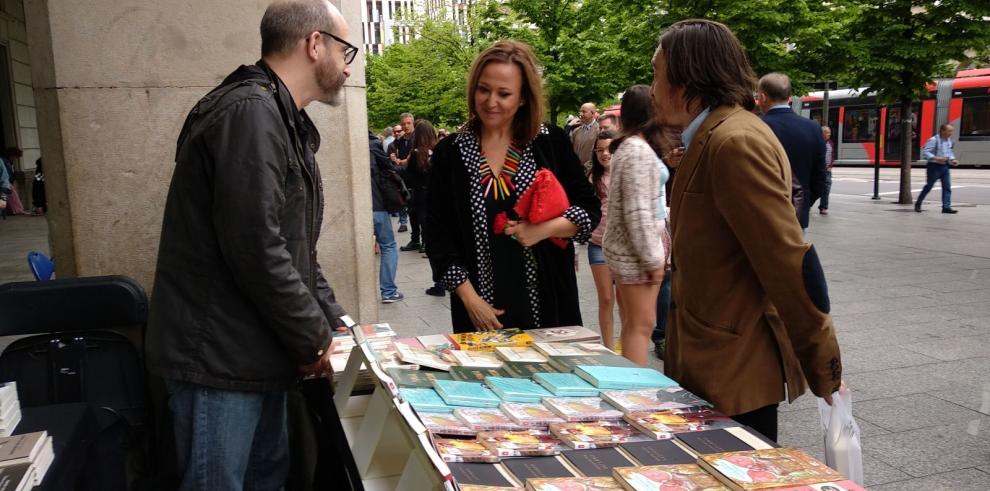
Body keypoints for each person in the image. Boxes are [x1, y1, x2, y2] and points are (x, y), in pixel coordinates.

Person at [146, 1, 355, 488]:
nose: (348, 66)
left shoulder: (276, 115)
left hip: (252, 357)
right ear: (314, 43)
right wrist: (313, 338)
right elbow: (257, 248)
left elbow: (295, 247)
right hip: (218, 365)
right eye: (345, 50)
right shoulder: (252, 114)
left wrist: (340, 327)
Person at [653, 19, 842, 442]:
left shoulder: (734, 142)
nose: (652, 87)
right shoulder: (713, 134)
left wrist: (824, 367)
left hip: (735, 371)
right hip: (714, 361)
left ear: (686, 80)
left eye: (657, 74)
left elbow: (788, 261)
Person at [427, 40, 600, 333]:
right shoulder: (451, 152)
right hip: (479, 311)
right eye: (483, 89)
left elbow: (589, 208)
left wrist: (541, 230)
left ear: (522, 97)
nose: (491, 101)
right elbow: (438, 235)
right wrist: (471, 301)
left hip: (549, 304)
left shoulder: (549, 142)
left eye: (504, 93)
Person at [602, 85, 670, 367]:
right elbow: (638, 214)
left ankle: (633, 389)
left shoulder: (628, 148)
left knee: (635, 325)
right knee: (642, 326)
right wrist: (654, 259)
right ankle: (637, 392)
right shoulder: (639, 151)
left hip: (627, 251)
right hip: (636, 253)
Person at [758, 73, 826, 233]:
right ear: (789, 97)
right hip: (798, 217)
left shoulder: (756, 127)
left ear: (762, 97)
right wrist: (803, 204)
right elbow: (820, 178)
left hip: (763, 217)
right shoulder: (812, 127)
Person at [587, 130, 619, 350]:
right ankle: (608, 347)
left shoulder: (627, 172)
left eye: (609, 149)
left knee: (627, 304)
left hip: (624, 247)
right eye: (599, 150)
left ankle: (627, 346)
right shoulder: (592, 178)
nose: (604, 154)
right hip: (598, 244)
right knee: (606, 299)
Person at [369, 131, 404, 303]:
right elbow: (392, 169)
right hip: (377, 206)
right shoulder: (374, 146)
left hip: (354, 211)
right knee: (388, 246)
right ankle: (388, 292)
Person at [401, 119, 435, 253]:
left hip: (419, 189)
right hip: (431, 189)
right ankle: (425, 241)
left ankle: (421, 241)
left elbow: (410, 173)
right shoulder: (436, 149)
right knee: (423, 217)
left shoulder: (416, 153)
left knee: (418, 216)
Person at [915, 124, 959, 214]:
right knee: (929, 186)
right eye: (949, 131)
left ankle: (946, 207)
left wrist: (953, 159)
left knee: (947, 187)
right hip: (934, 167)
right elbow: (926, 152)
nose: (951, 133)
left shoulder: (949, 140)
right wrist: (936, 158)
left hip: (945, 166)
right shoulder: (933, 140)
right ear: (943, 131)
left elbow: (949, 152)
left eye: (952, 131)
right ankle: (918, 203)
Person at [390, 113, 415, 233]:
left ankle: (423, 240)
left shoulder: (418, 138)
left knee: (418, 211)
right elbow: (393, 153)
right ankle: (413, 236)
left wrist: (400, 162)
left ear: (413, 123)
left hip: (417, 178)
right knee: (405, 204)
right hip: (403, 177)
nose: (406, 126)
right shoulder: (399, 141)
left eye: (408, 123)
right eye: (403, 124)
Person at [570, 102, 600, 170]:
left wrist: (586, 166)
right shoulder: (576, 131)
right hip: (576, 170)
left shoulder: (599, 131)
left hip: (592, 171)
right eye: (580, 112)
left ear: (592, 113)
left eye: (584, 112)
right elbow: (570, 150)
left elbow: (598, 152)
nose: (581, 114)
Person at [819, 126, 834, 215]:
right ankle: (807, 204)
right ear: (822, 133)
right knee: (814, 188)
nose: (829, 134)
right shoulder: (817, 142)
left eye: (829, 132)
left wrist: (831, 165)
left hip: (827, 170)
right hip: (818, 169)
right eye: (827, 132)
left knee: (826, 189)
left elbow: (832, 154)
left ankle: (823, 207)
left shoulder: (830, 143)